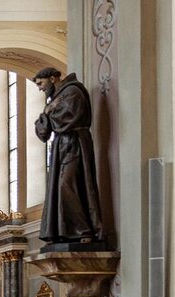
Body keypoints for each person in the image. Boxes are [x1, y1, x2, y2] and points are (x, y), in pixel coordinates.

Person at [32, 68, 103, 246]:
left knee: (67, 185)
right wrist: (48, 113)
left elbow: (67, 118)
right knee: (58, 188)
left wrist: (48, 113)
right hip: (60, 146)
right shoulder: (56, 98)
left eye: (41, 83)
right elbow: (43, 132)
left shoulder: (73, 91)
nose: (40, 88)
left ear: (52, 78)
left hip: (75, 143)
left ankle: (84, 229)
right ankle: (63, 232)